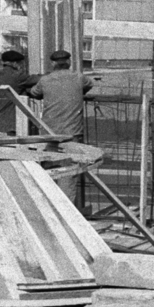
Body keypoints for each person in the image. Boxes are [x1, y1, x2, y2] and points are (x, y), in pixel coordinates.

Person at [26, 49, 93, 203]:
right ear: (68, 62)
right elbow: (89, 85)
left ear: (53, 63)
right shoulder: (79, 78)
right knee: (69, 171)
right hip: (72, 132)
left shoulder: (45, 80)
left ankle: (47, 203)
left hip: (49, 132)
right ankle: (66, 207)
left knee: (48, 167)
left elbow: (35, 93)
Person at [0, 50, 30, 135]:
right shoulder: (17, 75)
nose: (22, 66)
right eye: (20, 64)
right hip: (9, 127)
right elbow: (36, 79)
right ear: (14, 64)